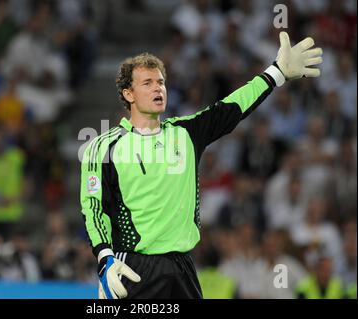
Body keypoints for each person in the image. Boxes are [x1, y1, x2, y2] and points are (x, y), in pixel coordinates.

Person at [80, 32, 323, 299]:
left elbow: (232, 107)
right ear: (128, 93)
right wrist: (105, 257)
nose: (158, 88)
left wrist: (275, 73)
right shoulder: (104, 147)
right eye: (147, 83)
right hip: (132, 268)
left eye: (161, 82)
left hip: (182, 267)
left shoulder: (185, 133)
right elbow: (93, 208)